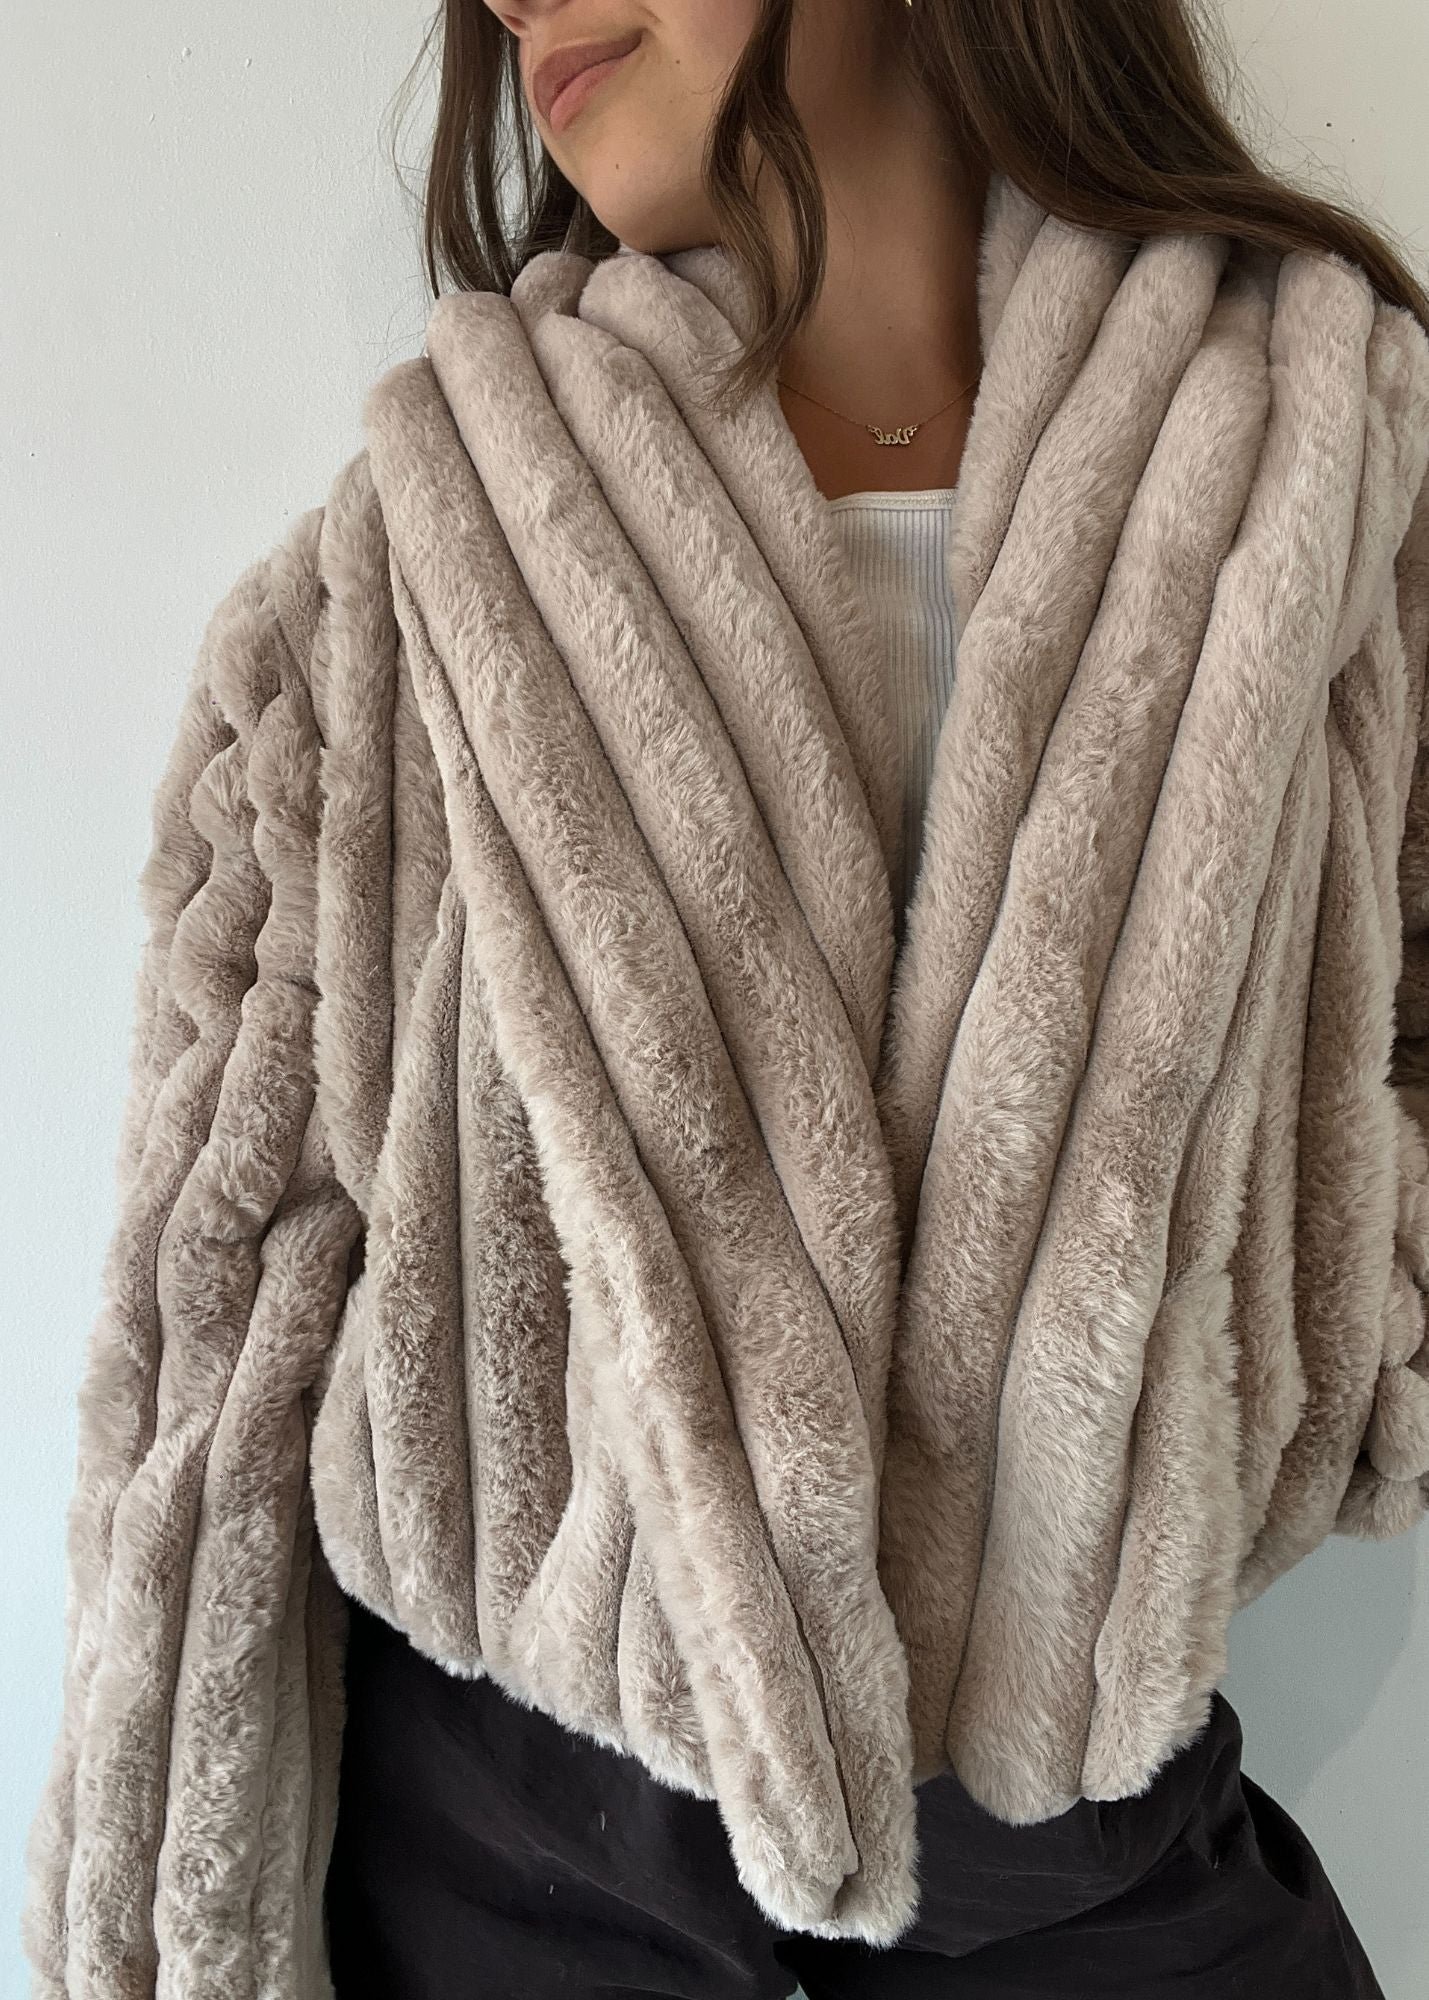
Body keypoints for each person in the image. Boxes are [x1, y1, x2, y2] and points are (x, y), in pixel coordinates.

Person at [21, 3, 1429, 1996]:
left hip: (1105, 1875)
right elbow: (209, 1370)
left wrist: (1339, 1332)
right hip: (501, 1885)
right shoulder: (393, 596)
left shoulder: (1321, 495)